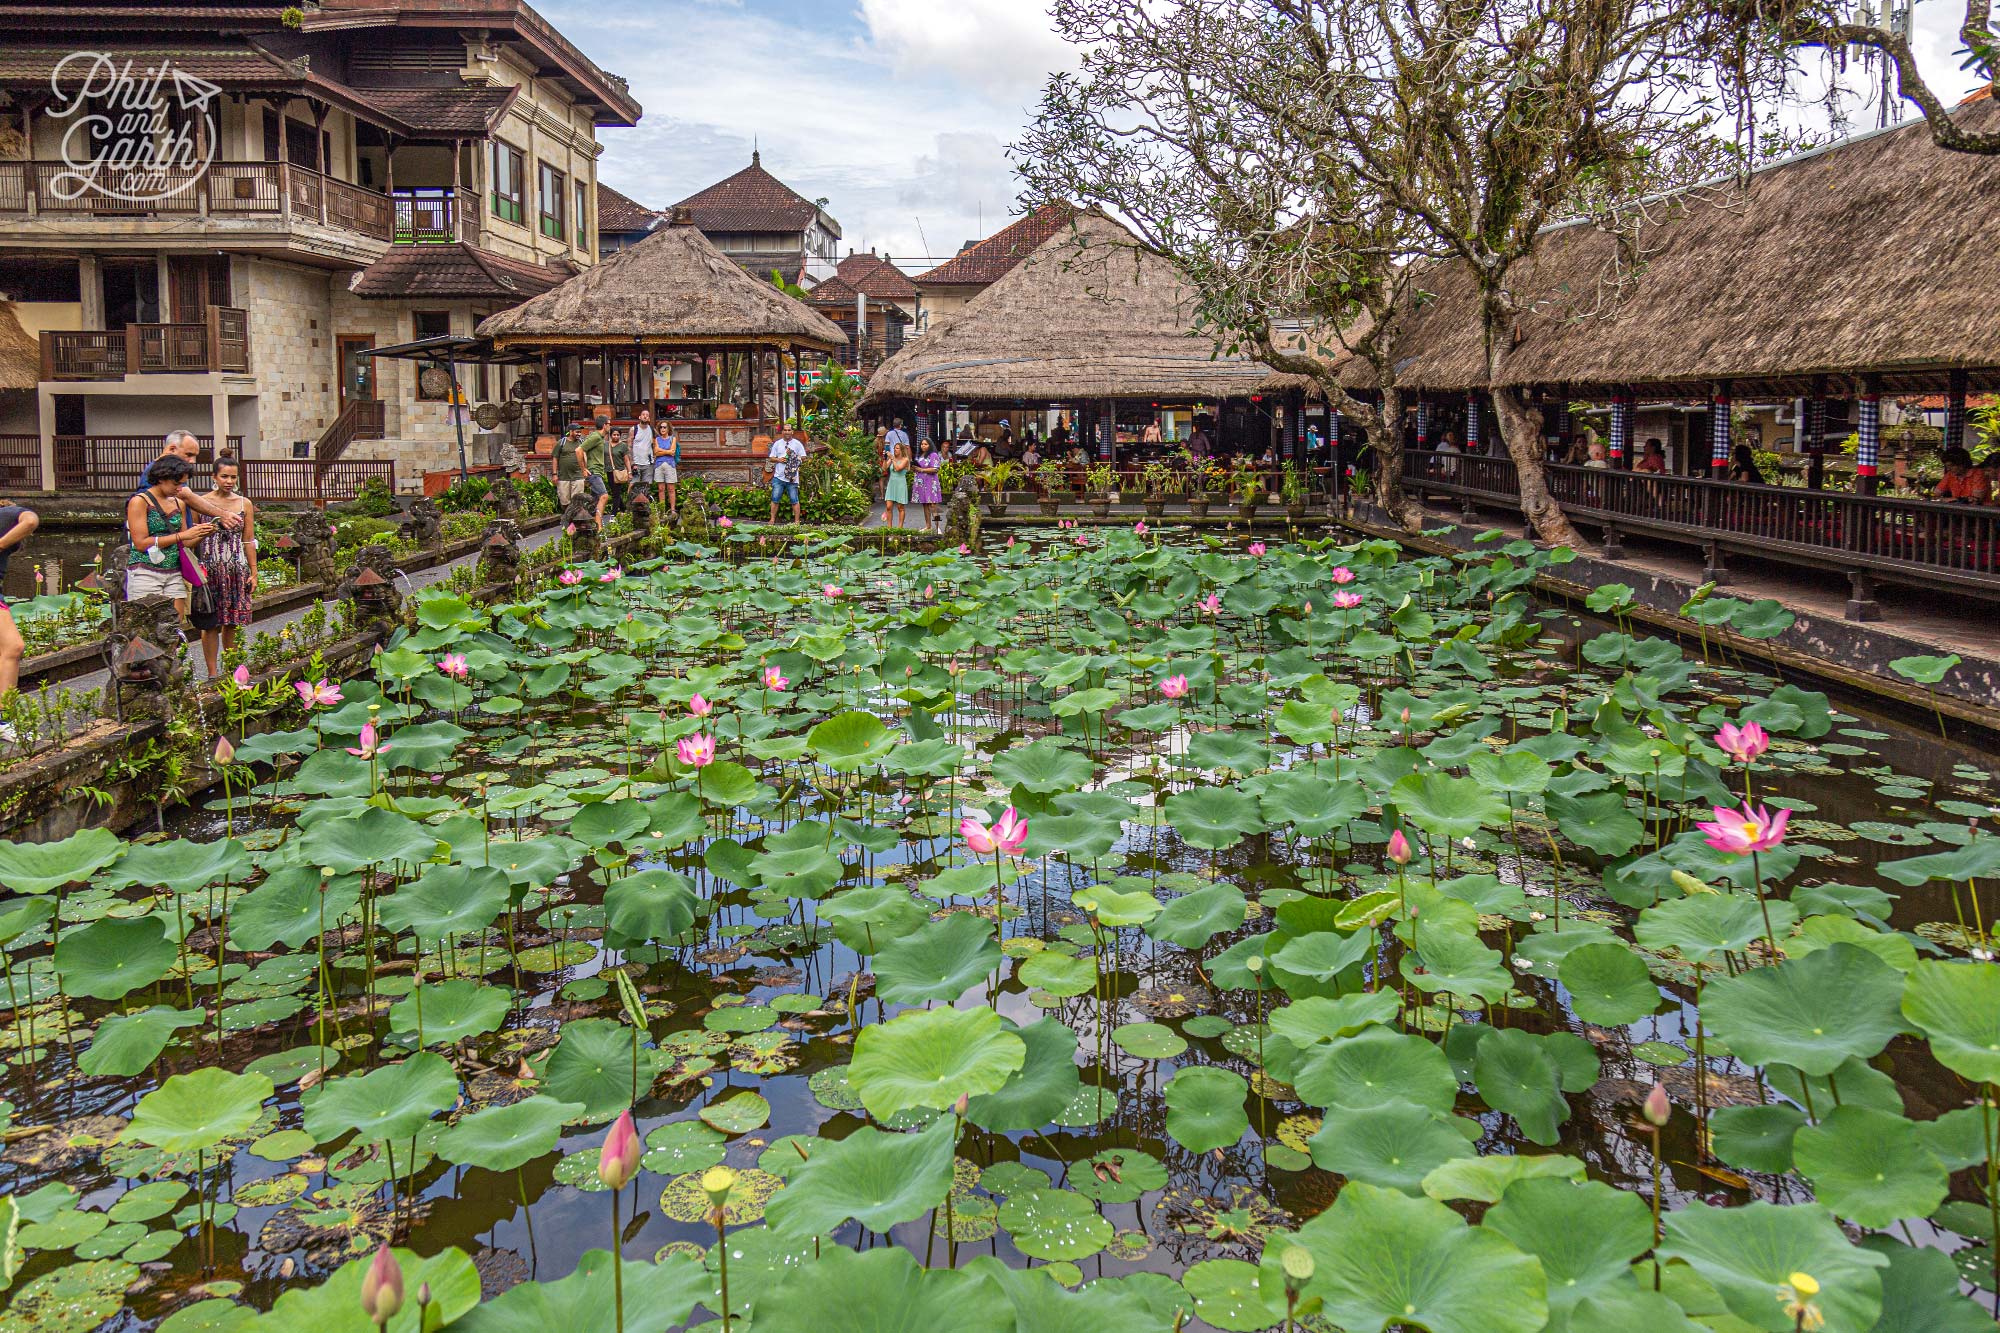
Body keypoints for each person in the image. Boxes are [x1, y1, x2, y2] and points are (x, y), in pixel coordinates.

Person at [189, 456, 255, 678]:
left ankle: (232, 670)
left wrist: (253, 572)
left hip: (236, 568)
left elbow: (248, 540)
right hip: (209, 569)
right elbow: (191, 539)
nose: (229, 481)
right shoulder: (199, 502)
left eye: (233, 477)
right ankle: (212, 672)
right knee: (209, 624)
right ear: (214, 477)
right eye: (224, 476)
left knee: (232, 622)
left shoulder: (244, 503)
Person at [124, 455, 213, 616]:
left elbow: (185, 542)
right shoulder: (139, 501)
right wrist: (182, 536)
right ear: (161, 478)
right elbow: (140, 543)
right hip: (145, 571)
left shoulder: (179, 502)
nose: (180, 489)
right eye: (176, 483)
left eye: (183, 484)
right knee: (148, 626)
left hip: (174, 571)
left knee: (174, 627)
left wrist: (204, 532)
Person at [140, 430, 244, 532]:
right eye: (189, 455)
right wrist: (223, 514)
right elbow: (185, 496)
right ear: (172, 449)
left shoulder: (173, 471)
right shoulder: (154, 470)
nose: (193, 461)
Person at [0, 502, 40, 728]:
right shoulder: (6, 515)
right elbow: (31, 520)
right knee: (12, 647)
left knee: (12, 648)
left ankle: (3, 720)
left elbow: (30, 523)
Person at [766, 424, 807, 524]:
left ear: (792, 432)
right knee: (775, 499)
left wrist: (792, 457)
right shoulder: (777, 444)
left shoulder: (797, 444)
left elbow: (804, 457)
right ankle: (772, 519)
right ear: (782, 432)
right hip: (779, 477)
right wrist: (779, 459)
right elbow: (771, 457)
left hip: (792, 478)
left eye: (789, 430)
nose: (787, 432)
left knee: (794, 500)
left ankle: (797, 522)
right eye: (785, 430)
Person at [555, 423, 588, 519]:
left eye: (580, 432)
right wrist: (554, 474)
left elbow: (585, 457)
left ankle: (575, 520)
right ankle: (568, 517)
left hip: (578, 475)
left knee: (577, 500)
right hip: (563, 476)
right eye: (577, 432)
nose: (579, 434)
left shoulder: (582, 443)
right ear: (570, 432)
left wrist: (585, 470)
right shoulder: (561, 443)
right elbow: (555, 458)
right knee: (564, 501)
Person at [912, 436, 944, 532]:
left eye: (925, 444)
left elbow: (936, 469)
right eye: (922, 444)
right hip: (921, 483)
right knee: (925, 505)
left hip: (931, 483)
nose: (923, 446)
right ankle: (928, 526)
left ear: (930, 445)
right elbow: (916, 468)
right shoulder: (919, 455)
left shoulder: (933, 455)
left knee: (933, 506)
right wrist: (913, 467)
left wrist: (922, 469)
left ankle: (938, 527)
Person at [629, 411, 656, 510]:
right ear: (640, 417)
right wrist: (632, 462)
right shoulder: (634, 429)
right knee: (633, 485)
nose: (645, 416)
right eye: (643, 415)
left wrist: (655, 456)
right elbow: (629, 446)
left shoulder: (652, 429)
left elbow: (657, 441)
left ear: (649, 418)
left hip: (648, 463)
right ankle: (630, 505)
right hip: (636, 462)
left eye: (647, 415)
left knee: (647, 485)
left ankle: (645, 506)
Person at [884, 437, 912, 529]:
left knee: (900, 507)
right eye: (894, 448)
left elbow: (898, 468)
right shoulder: (892, 458)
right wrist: (885, 459)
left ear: (901, 450)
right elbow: (884, 468)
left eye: (897, 448)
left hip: (900, 484)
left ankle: (900, 528)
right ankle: (889, 528)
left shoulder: (905, 459)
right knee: (888, 507)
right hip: (891, 483)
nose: (895, 450)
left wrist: (892, 458)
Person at [654, 415, 679, 517]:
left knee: (671, 488)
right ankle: (662, 510)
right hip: (659, 465)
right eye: (661, 427)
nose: (662, 429)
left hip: (670, 465)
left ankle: (672, 510)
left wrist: (662, 451)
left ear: (668, 429)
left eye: (664, 427)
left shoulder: (672, 439)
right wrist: (667, 451)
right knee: (661, 489)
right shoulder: (656, 439)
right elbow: (656, 452)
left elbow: (673, 452)